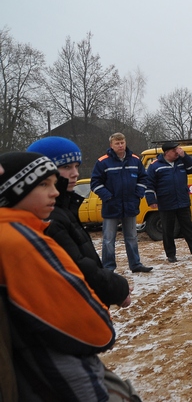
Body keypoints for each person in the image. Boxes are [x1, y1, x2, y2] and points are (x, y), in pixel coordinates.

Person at [0, 151, 140, 401]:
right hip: (58, 358)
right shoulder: (21, 240)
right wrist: (103, 327)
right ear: (14, 190)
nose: (55, 191)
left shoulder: (26, 231)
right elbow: (71, 307)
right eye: (44, 184)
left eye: (54, 184)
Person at [27, 136, 132, 308]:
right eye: (66, 167)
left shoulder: (65, 207)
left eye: (77, 166)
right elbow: (77, 266)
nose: (75, 173)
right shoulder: (50, 216)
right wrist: (116, 288)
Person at [91, 133, 152, 273]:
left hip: (130, 205)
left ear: (125, 143)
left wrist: (138, 195)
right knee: (108, 239)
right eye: (117, 143)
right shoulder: (102, 162)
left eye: (122, 142)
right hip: (111, 206)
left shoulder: (135, 160)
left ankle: (136, 264)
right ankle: (108, 267)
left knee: (131, 237)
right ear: (111, 145)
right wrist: (108, 197)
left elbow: (144, 179)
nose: (120, 145)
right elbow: (95, 183)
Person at [145, 141, 192, 262]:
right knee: (168, 230)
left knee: (188, 228)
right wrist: (151, 200)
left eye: (178, 149)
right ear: (167, 152)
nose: (177, 152)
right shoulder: (155, 166)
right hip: (166, 202)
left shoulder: (181, 161)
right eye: (175, 150)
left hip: (183, 201)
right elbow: (149, 184)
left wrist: (184, 156)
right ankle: (171, 255)